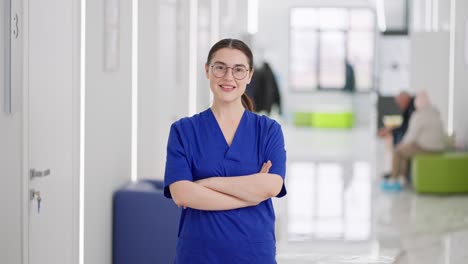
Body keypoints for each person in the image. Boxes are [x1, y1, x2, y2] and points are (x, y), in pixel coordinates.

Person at [164, 38, 287, 263]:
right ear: (207, 71)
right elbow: (182, 193)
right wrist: (249, 196)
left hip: (253, 252)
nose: (228, 77)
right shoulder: (183, 130)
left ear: (249, 75)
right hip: (199, 253)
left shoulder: (268, 130)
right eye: (220, 67)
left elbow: (272, 185)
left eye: (238, 70)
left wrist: (207, 184)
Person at [381, 90, 446, 191]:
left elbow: (411, 137)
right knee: (405, 149)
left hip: (427, 149)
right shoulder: (435, 111)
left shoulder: (418, 115)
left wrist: (401, 144)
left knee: (398, 151)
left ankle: (393, 179)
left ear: (417, 103)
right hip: (439, 147)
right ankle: (402, 177)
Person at [378, 91, 415, 178]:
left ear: (405, 100)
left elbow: (408, 126)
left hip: (410, 135)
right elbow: (401, 120)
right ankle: (395, 171)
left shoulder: (413, 107)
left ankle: (396, 174)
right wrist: (388, 129)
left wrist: (389, 129)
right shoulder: (408, 106)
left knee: (398, 143)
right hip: (404, 132)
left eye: (399, 102)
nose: (398, 105)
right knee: (391, 137)